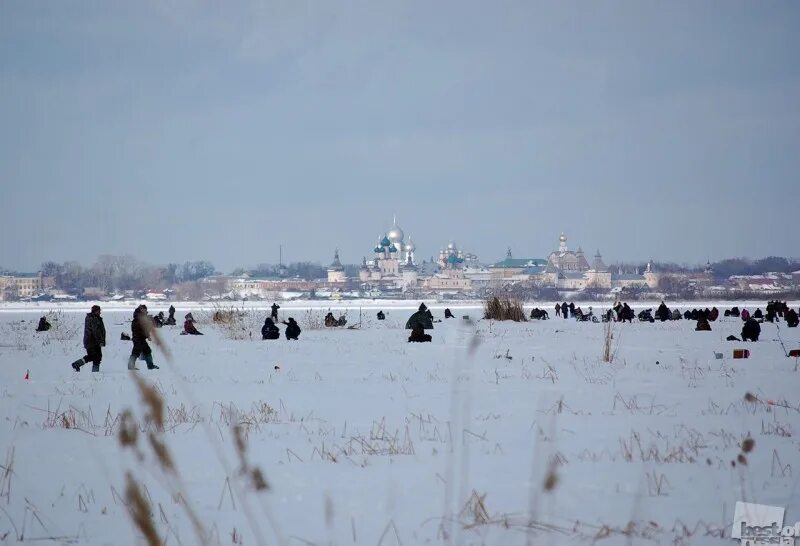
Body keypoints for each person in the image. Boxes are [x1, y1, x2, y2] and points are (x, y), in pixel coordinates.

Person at [70, 305, 106, 372]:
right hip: (92, 341)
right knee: (96, 357)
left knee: (94, 356)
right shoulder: (93, 318)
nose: (100, 312)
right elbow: (96, 331)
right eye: (98, 311)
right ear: (95, 311)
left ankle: (78, 364)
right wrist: (100, 341)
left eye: (100, 311)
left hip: (91, 341)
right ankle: (95, 373)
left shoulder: (93, 318)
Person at [128, 305, 159, 370]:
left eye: (145, 310)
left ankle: (150, 366)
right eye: (144, 309)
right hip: (138, 339)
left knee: (147, 351)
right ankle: (131, 366)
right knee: (136, 352)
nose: (145, 311)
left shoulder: (141, 317)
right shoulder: (137, 319)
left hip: (140, 338)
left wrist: (147, 335)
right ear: (141, 309)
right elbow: (140, 329)